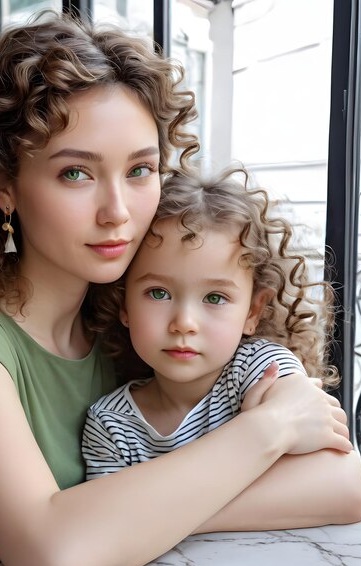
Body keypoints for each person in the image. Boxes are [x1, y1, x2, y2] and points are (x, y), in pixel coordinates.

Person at [0, 10, 361, 566]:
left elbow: (340, 489)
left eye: (141, 170)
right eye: (76, 173)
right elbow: (51, 552)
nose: (118, 211)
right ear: (2, 187)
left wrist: (125, 520)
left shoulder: (126, 321)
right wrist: (266, 431)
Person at [82, 167, 343, 477]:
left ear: (252, 312)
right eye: (158, 293)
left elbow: (336, 479)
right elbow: (109, 522)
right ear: (123, 302)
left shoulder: (260, 369)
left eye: (215, 298)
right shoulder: (110, 425)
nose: (184, 323)